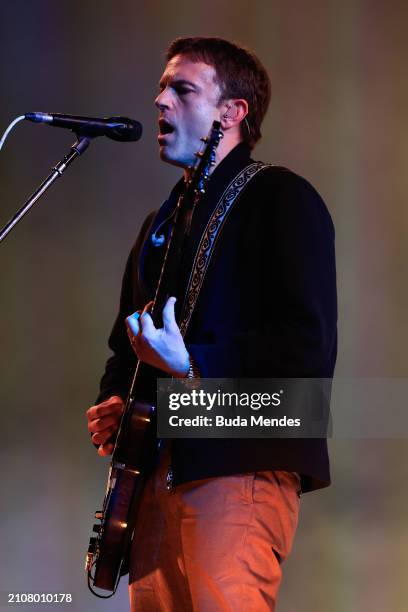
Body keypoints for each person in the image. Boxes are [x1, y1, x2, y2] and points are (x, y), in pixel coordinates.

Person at [86, 37, 337, 611]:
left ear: (233, 111)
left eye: (182, 88)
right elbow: (126, 348)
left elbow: (305, 345)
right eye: (160, 87)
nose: (160, 101)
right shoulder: (161, 223)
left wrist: (192, 364)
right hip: (155, 476)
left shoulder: (282, 198)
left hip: (238, 462)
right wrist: (116, 406)